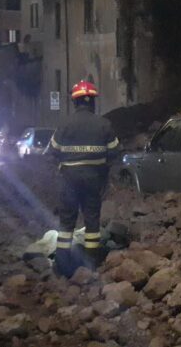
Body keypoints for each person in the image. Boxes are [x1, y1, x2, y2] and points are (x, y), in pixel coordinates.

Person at [47, 81, 119, 277]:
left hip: (68, 181)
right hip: (93, 180)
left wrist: (63, 168)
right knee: (92, 222)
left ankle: (62, 264)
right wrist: (103, 170)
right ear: (92, 101)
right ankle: (91, 263)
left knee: (66, 222)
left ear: (75, 102)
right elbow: (115, 153)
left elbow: (52, 152)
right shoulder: (104, 124)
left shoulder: (64, 124)